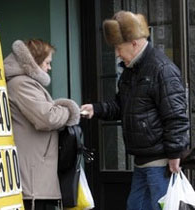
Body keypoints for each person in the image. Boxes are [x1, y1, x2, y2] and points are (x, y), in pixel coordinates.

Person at [80, 11, 190, 210]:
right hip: (143, 162)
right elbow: (122, 106)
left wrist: (175, 154)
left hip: (160, 164)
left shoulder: (161, 68)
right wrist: (96, 109)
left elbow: (176, 116)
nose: (116, 53)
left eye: (118, 47)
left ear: (134, 43)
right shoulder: (132, 70)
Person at [4, 39, 80, 210]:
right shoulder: (21, 84)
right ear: (34, 62)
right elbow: (47, 118)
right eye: (47, 62)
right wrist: (70, 110)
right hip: (32, 178)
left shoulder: (22, 83)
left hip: (36, 174)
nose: (49, 67)